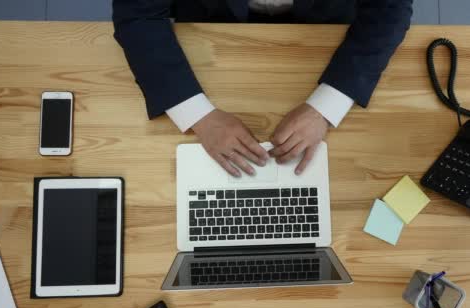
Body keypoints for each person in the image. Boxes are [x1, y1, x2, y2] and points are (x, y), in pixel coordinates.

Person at [113, 0, 413, 177]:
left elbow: (391, 8)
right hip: (211, 26)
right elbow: (137, 14)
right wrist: (196, 114)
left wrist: (327, 104)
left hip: (324, 26)